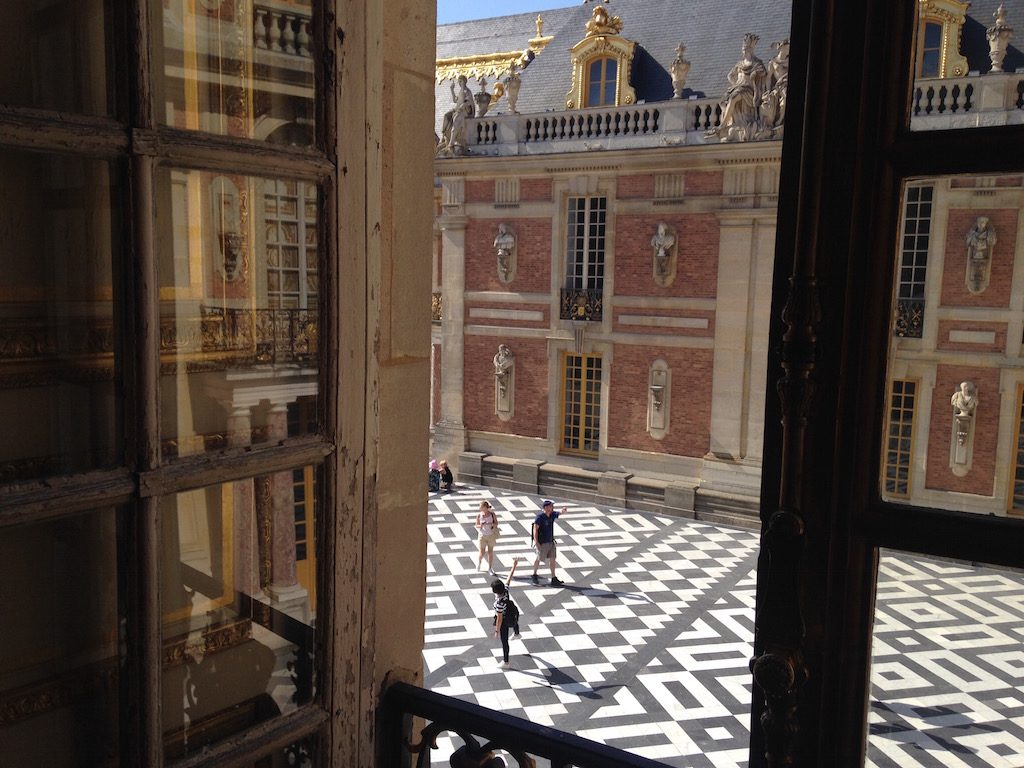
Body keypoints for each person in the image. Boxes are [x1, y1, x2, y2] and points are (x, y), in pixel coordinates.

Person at [491, 558, 521, 669]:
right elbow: (509, 578)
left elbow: (499, 619)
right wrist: (514, 565)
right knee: (514, 620)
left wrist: (497, 631)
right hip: (511, 613)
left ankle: (506, 662)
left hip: (504, 621)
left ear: (495, 591)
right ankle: (517, 633)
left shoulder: (499, 603)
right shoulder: (506, 590)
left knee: (505, 642)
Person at [531, 499, 566, 586]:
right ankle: (534, 574)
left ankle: (553, 577)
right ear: (546, 507)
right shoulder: (540, 517)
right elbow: (535, 529)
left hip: (550, 541)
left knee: (553, 559)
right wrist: (536, 542)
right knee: (539, 558)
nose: (553, 507)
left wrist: (563, 511)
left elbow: (559, 513)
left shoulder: (552, 514)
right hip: (542, 542)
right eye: (551, 506)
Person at [475, 500, 499, 575]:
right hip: (482, 536)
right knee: (482, 552)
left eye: (481, 507)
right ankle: (479, 562)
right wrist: (481, 525)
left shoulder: (492, 514)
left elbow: (496, 523)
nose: (480, 508)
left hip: (491, 535)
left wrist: (491, 524)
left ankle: (490, 568)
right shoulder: (479, 515)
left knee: (490, 552)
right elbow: (476, 525)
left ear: (485, 507)